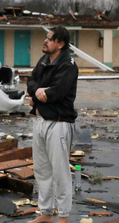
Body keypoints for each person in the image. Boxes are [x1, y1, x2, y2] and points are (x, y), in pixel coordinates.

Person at [27, 26, 79, 223]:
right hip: (40, 121)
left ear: (61, 44)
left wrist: (39, 95)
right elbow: (30, 82)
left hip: (58, 123)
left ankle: (63, 216)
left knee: (60, 171)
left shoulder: (68, 65)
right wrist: (38, 92)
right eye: (46, 37)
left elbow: (57, 92)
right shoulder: (43, 60)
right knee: (42, 170)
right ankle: (46, 213)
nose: (45, 41)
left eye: (50, 38)